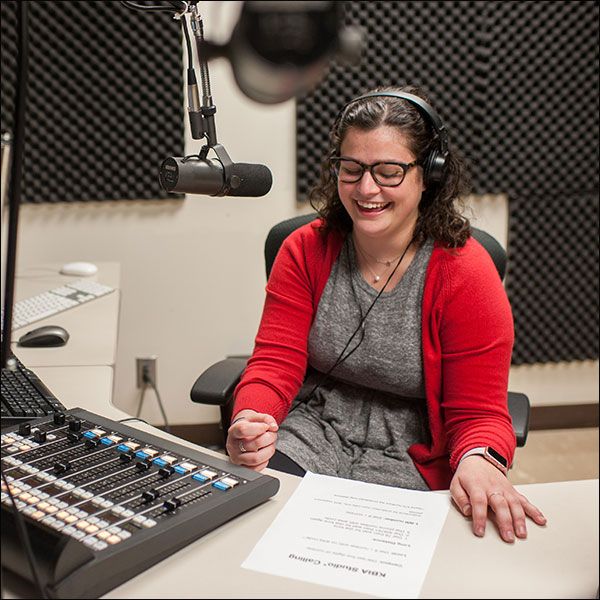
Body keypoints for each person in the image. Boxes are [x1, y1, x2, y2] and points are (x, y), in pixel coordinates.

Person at [226, 85, 547, 543]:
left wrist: (480, 457)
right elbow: (274, 364)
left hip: (414, 449)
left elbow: (480, 411)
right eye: (351, 169)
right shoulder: (304, 249)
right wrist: (251, 418)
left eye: (389, 171)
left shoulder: (466, 272)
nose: (366, 189)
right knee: (257, 530)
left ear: (428, 176)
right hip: (315, 425)